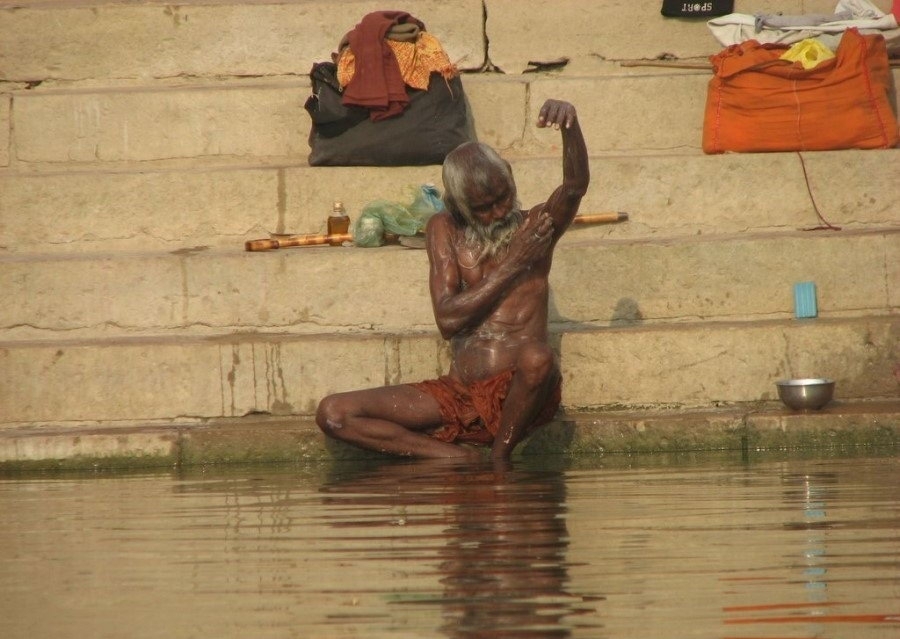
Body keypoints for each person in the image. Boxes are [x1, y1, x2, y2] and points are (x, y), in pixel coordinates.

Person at [316, 99, 589, 461]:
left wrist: (570, 126)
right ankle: (457, 459)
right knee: (333, 413)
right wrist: (515, 262)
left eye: (503, 198)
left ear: (509, 176)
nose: (497, 213)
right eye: (482, 208)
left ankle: (498, 457)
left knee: (539, 358)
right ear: (458, 205)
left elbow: (574, 185)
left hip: (519, 394)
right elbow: (448, 320)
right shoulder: (444, 228)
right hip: (457, 392)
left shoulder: (535, 227)